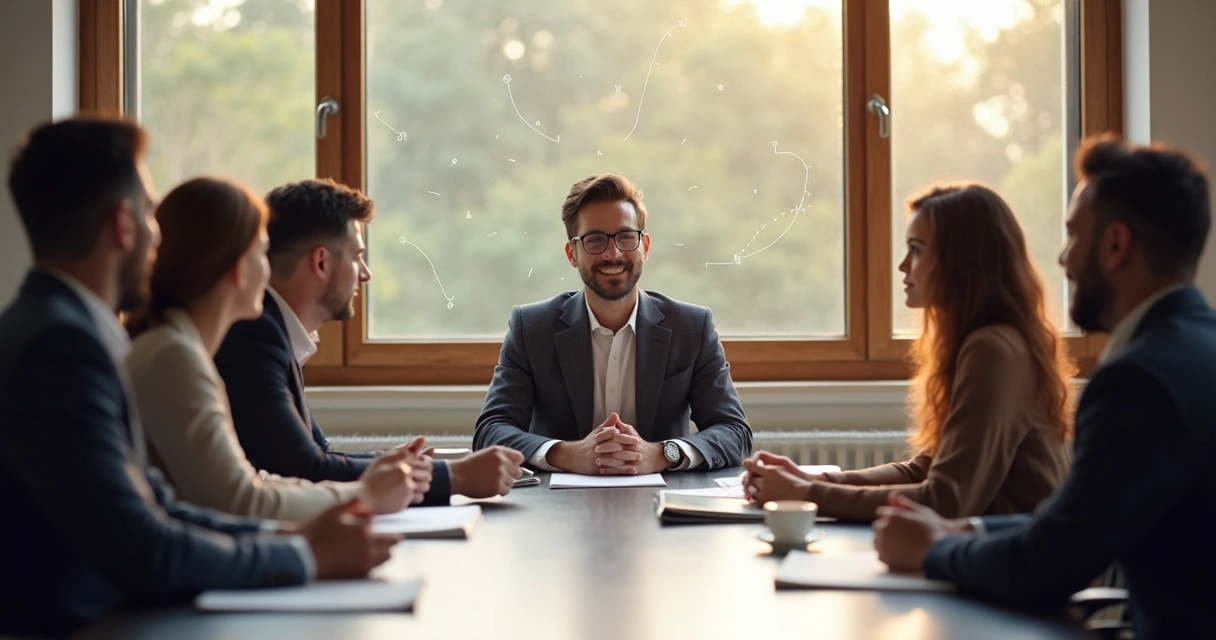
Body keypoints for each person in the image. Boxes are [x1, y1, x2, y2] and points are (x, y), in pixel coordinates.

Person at [0, 118, 399, 637]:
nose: (158, 234)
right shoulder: (63, 348)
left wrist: (296, 539)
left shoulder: (58, 330)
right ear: (123, 225)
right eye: (148, 211)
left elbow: (159, 506)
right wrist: (305, 555)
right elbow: (145, 548)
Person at [873, 136, 1216, 640]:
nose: (1062, 258)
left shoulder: (1139, 382)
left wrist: (932, 550)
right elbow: (1078, 520)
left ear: (1116, 245)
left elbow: (1047, 564)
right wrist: (966, 530)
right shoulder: (1194, 348)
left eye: (1074, 236)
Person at [742, 183, 1074, 521]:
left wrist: (806, 495)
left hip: (1009, 565)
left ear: (961, 260)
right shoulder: (988, 341)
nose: (902, 265)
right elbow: (925, 469)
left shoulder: (993, 349)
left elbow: (945, 499)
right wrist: (816, 480)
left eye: (916, 250)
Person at [125, 177, 417, 521]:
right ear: (236, 268)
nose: (270, 271)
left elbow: (253, 482)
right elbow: (243, 501)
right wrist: (366, 495)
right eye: (261, 253)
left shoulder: (176, 346)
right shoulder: (172, 356)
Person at [215, 178, 524, 499]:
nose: (365, 273)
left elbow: (318, 455)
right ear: (321, 262)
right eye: (357, 256)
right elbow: (307, 470)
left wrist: (398, 464)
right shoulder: (255, 335)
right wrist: (454, 476)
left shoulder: (272, 328)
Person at [474, 173, 752, 474]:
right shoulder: (531, 328)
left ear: (644, 246)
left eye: (626, 237)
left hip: (661, 505)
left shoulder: (692, 327)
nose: (613, 253)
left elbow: (734, 432)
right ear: (572, 254)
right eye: (595, 240)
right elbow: (491, 432)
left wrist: (660, 454)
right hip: (556, 507)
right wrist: (569, 454)